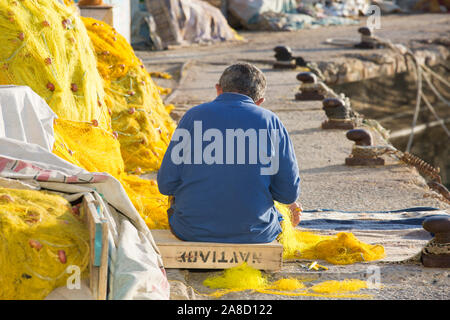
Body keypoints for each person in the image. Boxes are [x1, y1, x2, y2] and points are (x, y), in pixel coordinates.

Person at [157, 63, 301, 243]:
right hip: (255, 233)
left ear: (218, 89)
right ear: (259, 102)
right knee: (277, 213)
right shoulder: (271, 122)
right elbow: (288, 194)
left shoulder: (191, 117)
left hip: (190, 230)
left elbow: (166, 185)